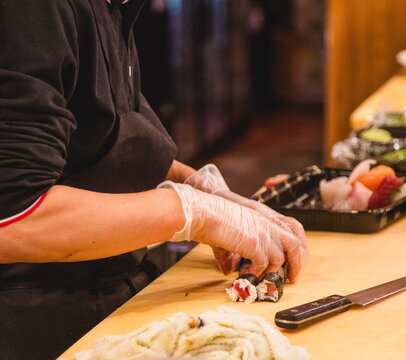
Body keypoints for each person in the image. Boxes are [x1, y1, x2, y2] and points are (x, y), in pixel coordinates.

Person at [0, 1, 308, 359]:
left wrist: (204, 188)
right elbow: (14, 219)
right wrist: (194, 213)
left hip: (112, 302)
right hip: (34, 325)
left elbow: (99, 139)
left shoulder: (114, 9)